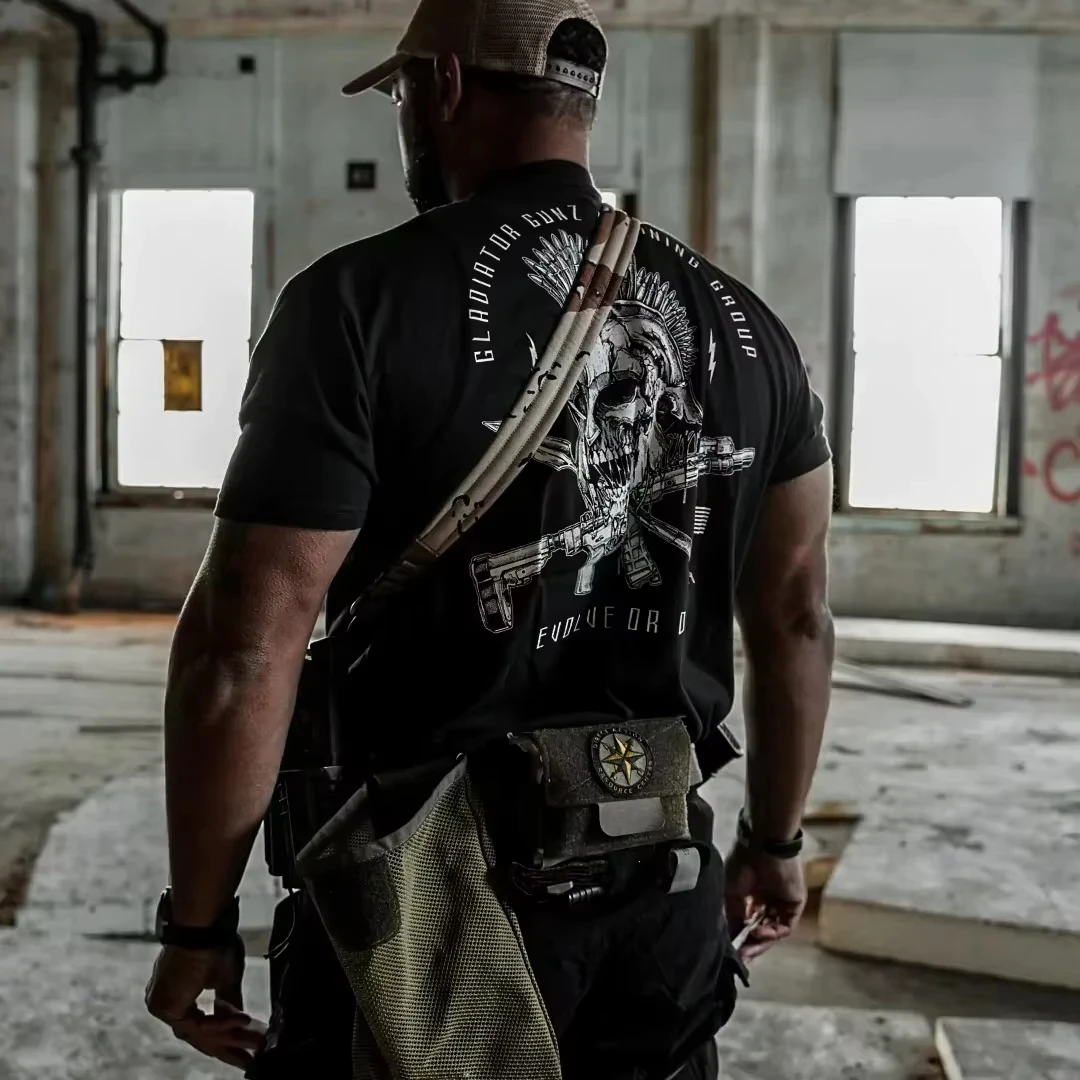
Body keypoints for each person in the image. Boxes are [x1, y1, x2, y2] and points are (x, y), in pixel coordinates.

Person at [144, 0, 835, 1076]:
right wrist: (776, 840)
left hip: (425, 913)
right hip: (660, 892)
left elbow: (244, 646)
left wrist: (197, 922)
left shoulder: (355, 303)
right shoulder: (751, 330)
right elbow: (796, 617)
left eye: (402, 92)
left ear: (445, 85)